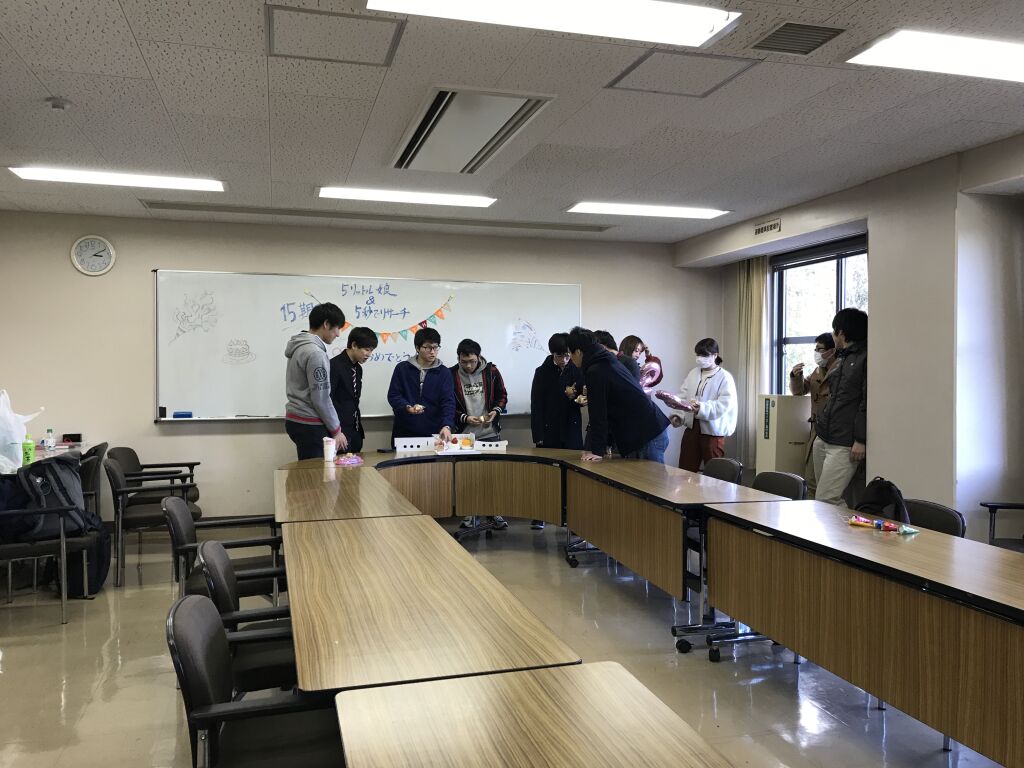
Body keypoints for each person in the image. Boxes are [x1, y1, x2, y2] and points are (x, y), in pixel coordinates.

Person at [567, 327, 669, 462]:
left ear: (578, 352)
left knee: (649, 476)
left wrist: (597, 451)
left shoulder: (596, 370)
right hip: (648, 430)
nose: (570, 358)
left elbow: (598, 412)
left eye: (570, 353)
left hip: (647, 435)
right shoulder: (604, 360)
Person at [451, 338, 510, 530]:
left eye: (472, 361)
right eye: (464, 362)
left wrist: (496, 411)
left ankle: (494, 512)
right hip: (464, 435)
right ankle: (470, 514)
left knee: (492, 477)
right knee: (466, 477)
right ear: (458, 359)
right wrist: (465, 418)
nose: (468, 366)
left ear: (479, 357)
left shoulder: (491, 372)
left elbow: (502, 395)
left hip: (489, 432)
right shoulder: (451, 374)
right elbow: (447, 404)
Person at [813, 308, 868, 507]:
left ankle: (850, 527)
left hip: (844, 442)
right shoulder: (842, 357)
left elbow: (866, 401)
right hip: (823, 436)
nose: (833, 335)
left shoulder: (865, 357)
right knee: (822, 499)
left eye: (834, 330)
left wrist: (861, 439)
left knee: (826, 500)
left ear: (842, 332)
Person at [530, 333, 583, 529]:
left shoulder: (577, 369)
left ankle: (571, 516)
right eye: (561, 356)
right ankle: (541, 514)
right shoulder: (542, 371)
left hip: (571, 429)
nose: (565, 360)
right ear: (553, 353)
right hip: (549, 430)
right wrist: (538, 436)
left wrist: (574, 395)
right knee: (545, 476)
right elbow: (536, 404)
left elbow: (584, 396)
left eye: (568, 355)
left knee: (573, 476)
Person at [284, 302, 347, 460]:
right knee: (316, 473)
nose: (338, 334)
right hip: (309, 422)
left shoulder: (299, 346)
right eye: (337, 328)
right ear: (326, 324)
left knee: (308, 470)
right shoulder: (315, 353)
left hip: (295, 419)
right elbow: (321, 398)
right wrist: (337, 431)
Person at [671, 339, 738, 472]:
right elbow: (683, 396)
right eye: (698, 354)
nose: (700, 358)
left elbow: (723, 405)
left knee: (714, 474)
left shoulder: (724, 377)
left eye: (704, 355)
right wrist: (678, 416)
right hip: (692, 428)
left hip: (712, 432)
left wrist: (701, 408)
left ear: (715, 355)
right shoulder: (693, 373)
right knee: (685, 470)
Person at [789, 332, 838, 499]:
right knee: (811, 480)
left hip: (834, 433)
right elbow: (800, 390)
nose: (816, 353)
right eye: (815, 349)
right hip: (816, 432)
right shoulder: (818, 371)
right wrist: (796, 376)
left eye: (820, 349)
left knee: (828, 487)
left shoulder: (841, 369)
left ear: (832, 351)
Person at [387, 328, 455, 445]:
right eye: (428, 347)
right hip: (404, 431)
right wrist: (408, 407)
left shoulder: (444, 373)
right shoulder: (402, 368)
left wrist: (447, 425)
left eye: (435, 347)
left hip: (433, 432)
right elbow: (394, 395)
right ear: (417, 348)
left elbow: (448, 402)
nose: (433, 352)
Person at [329, 326, 377, 455]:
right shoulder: (334, 366)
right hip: (339, 432)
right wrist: (336, 431)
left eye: (371, 350)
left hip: (355, 430)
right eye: (366, 349)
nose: (369, 354)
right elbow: (328, 400)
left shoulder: (358, 368)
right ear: (354, 345)